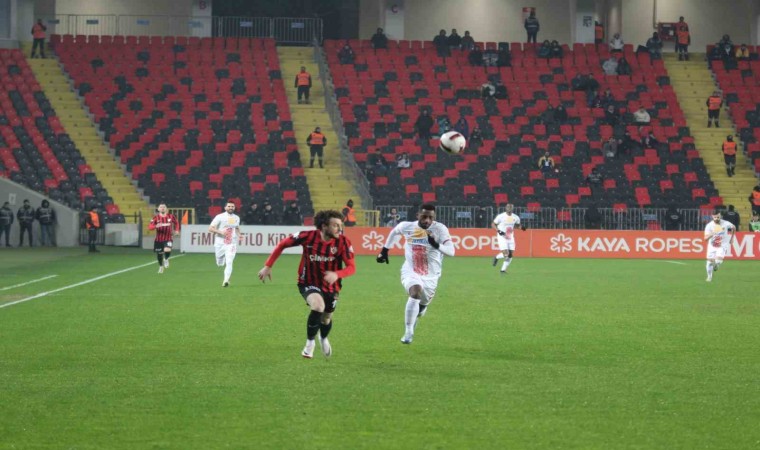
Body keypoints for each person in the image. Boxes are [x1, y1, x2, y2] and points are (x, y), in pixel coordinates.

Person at [258, 210, 356, 359]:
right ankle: (310, 344)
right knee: (318, 306)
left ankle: (323, 338)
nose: (339, 229)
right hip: (308, 281)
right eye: (335, 225)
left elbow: (352, 267)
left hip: (331, 286)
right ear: (324, 226)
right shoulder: (307, 236)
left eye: (340, 225)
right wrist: (268, 265)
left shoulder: (343, 242)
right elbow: (282, 244)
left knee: (326, 318)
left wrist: (337, 274)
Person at [376, 204, 455, 344]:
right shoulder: (407, 226)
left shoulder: (440, 229)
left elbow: (451, 252)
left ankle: (418, 313)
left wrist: (436, 244)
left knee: (421, 307)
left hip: (431, 275)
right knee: (415, 292)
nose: (427, 220)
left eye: (431, 217)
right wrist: (385, 250)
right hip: (411, 270)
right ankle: (408, 331)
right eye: (424, 216)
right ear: (418, 215)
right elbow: (394, 232)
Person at [208, 201, 242, 287]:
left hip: (231, 243)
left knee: (229, 261)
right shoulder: (219, 217)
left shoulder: (237, 218)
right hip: (220, 243)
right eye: (229, 206)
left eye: (232, 206)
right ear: (225, 208)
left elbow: (237, 227)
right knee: (219, 263)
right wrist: (221, 232)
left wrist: (240, 235)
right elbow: (210, 228)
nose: (231, 208)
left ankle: (226, 280)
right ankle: (220, 261)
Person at [491, 204, 525, 275]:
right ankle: (497, 257)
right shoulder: (501, 216)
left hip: (510, 236)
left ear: (512, 208)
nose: (509, 208)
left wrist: (522, 228)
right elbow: (493, 224)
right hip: (502, 236)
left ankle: (502, 270)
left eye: (511, 207)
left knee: (510, 255)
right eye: (508, 207)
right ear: (506, 208)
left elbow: (517, 225)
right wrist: (498, 231)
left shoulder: (516, 217)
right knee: (506, 254)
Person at [703, 210, 735, 282]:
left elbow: (734, 227)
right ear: (712, 217)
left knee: (718, 260)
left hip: (722, 245)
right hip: (712, 246)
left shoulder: (726, 223)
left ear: (720, 216)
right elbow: (705, 239)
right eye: (715, 217)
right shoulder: (709, 226)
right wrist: (712, 233)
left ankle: (717, 264)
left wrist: (732, 238)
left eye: (718, 217)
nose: (717, 218)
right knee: (709, 263)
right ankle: (709, 277)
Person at [149, 203, 180, 273]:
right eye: (161, 207)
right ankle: (160, 266)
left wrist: (177, 230)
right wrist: (155, 226)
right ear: (158, 209)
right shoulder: (155, 218)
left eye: (164, 207)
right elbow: (150, 227)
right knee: (159, 254)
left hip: (168, 237)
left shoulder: (171, 216)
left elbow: (176, 223)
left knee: (167, 249)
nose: (162, 208)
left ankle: (166, 259)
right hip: (158, 239)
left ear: (166, 209)